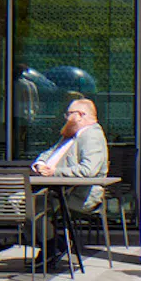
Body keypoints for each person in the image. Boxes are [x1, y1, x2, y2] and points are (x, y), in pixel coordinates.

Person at [32, 96, 111, 268]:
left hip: (79, 194)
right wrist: (40, 164)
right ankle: (53, 244)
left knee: (31, 206)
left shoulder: (91, 136)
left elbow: (88, 170)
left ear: (81, 115)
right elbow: (48, 153)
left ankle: (52, 246)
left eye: (68, 114)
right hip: (57, 190)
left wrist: (55, 172)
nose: (66, 118)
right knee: (20, 203)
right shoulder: (70, 135)